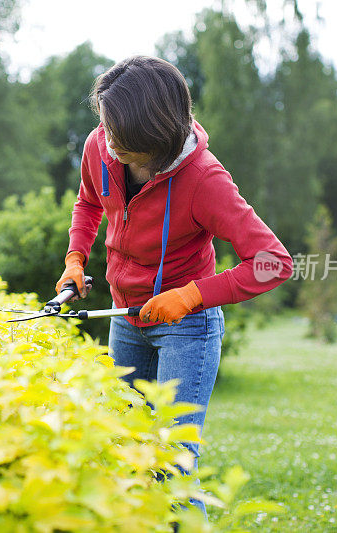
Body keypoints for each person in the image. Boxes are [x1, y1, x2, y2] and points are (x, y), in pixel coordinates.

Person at [55, 55, 293, 521]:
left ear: (155, 136)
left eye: (120, 138)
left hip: (187, 328)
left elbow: (274, 263)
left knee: (172, 466)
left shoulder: (204, 179)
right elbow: (88, 203)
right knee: (127, 454)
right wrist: (74, 259)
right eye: (105, 128)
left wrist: (191, 295)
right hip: (127, 319)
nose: (109, 144)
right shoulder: (100, 145)